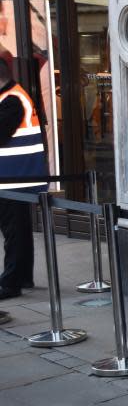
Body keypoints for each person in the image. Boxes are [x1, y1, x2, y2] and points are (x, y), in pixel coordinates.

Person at [0, 59, 47, 300]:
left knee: (14, 232)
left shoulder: (12, 99)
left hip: (15, 178)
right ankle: (22, 276)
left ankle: (12, 282)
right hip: (13, 177)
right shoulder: (10, 97)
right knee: (17, 231)